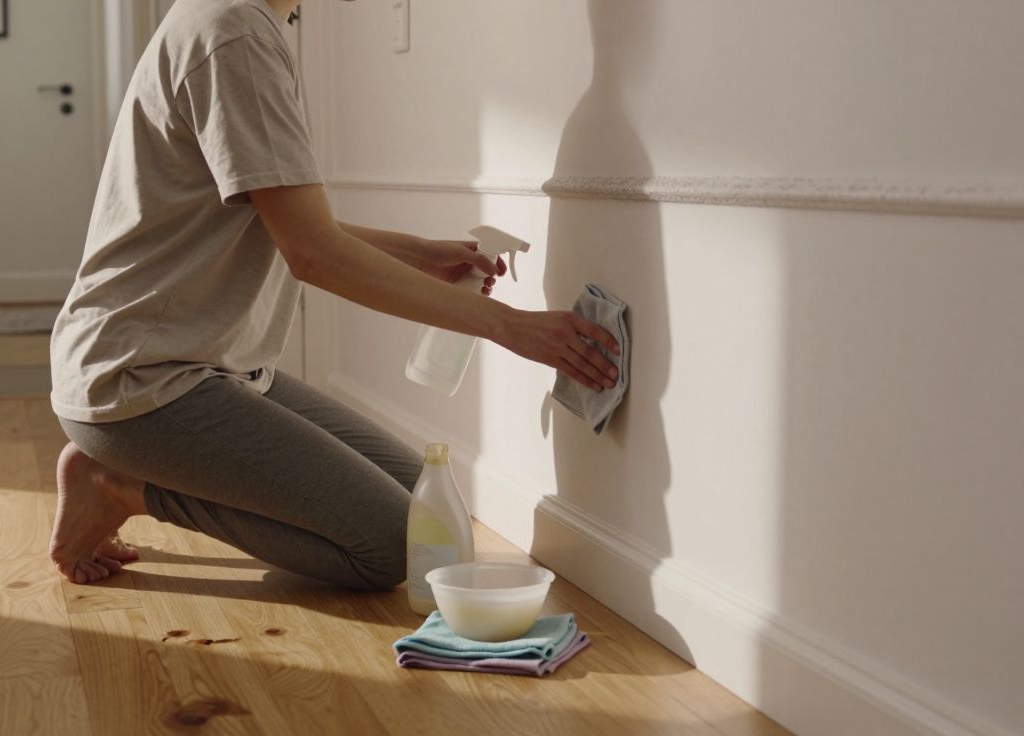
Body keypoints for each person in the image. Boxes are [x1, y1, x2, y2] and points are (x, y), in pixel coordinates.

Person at [47, 0, 619, 590]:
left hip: (209, 365)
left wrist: (419, 253)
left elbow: (283, 220)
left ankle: (116, 469)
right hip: (142, 381)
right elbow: (311, 253)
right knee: (402, 548)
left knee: (428, 511)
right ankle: (119, 484)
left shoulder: (244, 23)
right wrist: (511, 326)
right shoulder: (231, 32)